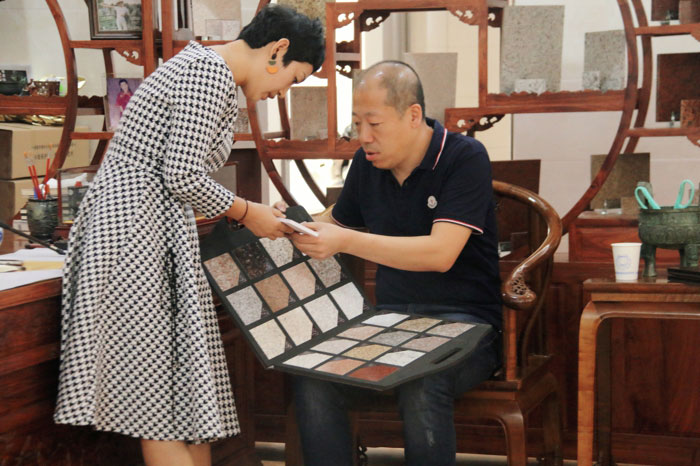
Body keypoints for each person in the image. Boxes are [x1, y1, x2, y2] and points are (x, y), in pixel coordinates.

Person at [53, 5, 324, 466]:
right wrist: (248, 213)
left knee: (185, 401)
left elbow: (179, 174)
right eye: (292, 78)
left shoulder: (207, 69)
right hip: (133, 235)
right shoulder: (208, 73)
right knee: (158, 406)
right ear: (277, 50)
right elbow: (182, 175)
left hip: (149, 231)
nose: (282, 91)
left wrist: (252, 212)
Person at [284, 61, 502, 466]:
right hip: (389, 320)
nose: (364, 136)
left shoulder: (464, 156)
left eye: (374, 123)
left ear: (413, 115)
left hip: (467, 323)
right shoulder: (367, 163)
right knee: (312, 377)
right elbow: (335, 222)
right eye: (357, 124)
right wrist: (285, 223)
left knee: (422, 379)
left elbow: (440, 254)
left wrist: (345, 241)